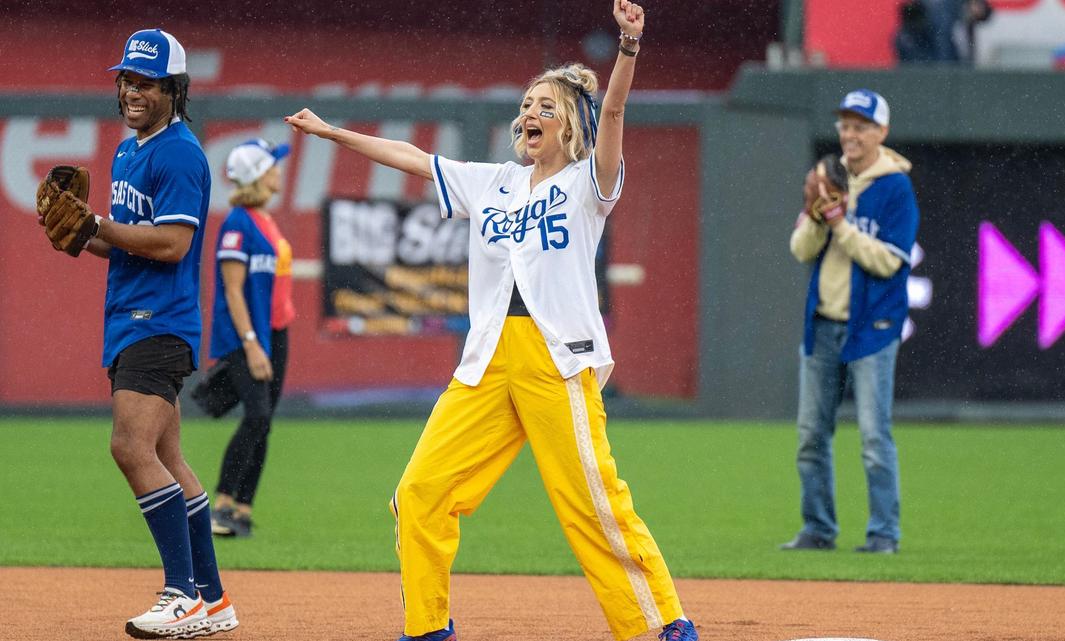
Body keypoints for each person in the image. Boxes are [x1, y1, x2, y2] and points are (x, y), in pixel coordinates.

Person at [285, 2, 698, 640]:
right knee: (420, 491)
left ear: (572, 128)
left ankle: (661, 622)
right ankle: (426, 628)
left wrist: (629, 45)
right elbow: (412, 157)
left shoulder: (592, 183)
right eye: (527, 103)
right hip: (485, 358)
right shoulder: (494, 183)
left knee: (590, 502)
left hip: (556, 358)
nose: (530, 113)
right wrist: (334, 134)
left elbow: (612, 110)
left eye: (547, 106)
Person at [55, 28, 237, 637]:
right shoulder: (129, 150)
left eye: (148, 82)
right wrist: (87, 236)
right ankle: (212, 601)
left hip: (159, 322)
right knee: (167, 457)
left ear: (173, 89)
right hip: (131, 316)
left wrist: (98, 222)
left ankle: (179, 593)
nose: (134, 91)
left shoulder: (180, 153)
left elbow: (173, 242)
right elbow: (131, 242)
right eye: (127, 79)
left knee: (129, 448)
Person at [783, 89, 919, 555]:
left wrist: (841, 224)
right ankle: (818, 529)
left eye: (861, 125)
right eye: (845, 124)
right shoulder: (830, 174)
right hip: (822, 323)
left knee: (874, 437)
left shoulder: (895, 187)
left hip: (873, 327)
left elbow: (890, 262)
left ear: (882, 132)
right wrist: (820, 221)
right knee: (810, 437)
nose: (851, 133)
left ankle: (884, 534)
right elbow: (800, 250)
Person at [208, 139, 296, 538]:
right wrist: (249, 342)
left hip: (276, 331)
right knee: (257, 415)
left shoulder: (265, 219)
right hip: (249, 334)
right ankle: (221, 506)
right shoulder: (237, 223)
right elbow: (232, 290)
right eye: (272, 165)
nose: (279, 170)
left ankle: (242, 509)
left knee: (265, 421)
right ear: (257, 176)